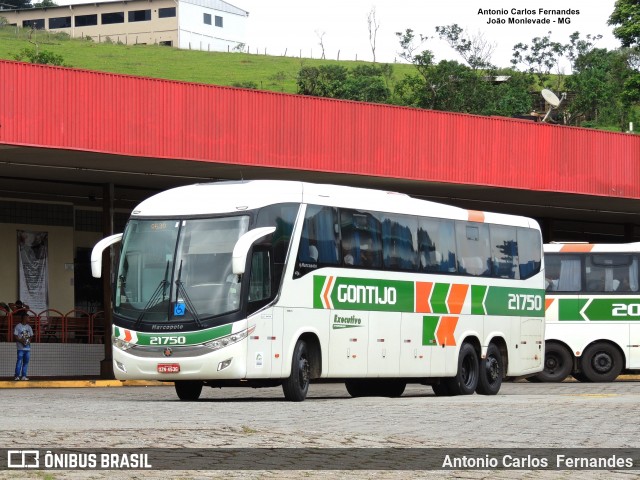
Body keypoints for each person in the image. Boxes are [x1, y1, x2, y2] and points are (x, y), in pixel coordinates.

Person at [14, 311, 33, 381]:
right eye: (28, 317)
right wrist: (21, 341)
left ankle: (24, 376)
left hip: (27, 348)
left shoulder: (29, 327)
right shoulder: (18, 326)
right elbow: (15, 335)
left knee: (26, 362)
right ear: (24, 318)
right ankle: (17, 376)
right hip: (20, 348)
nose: (29, 318)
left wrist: (28, 341)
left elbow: (31, 335)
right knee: (19, 361)